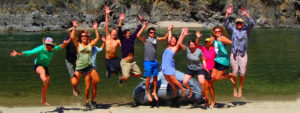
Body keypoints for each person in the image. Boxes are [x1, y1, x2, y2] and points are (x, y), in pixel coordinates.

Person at [10, 37, 71, 106]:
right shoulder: (41, 48)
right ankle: (44, 79)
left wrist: (66, 42)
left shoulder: (53, 49)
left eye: (49, 45)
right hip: (38, 65)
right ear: (44, 44)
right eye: (46, 44)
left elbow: (61, 46)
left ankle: (43, 100)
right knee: (42, 72)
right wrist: (18, 53)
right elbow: (30, 52)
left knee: (46, 85)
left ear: (52, 45)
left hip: (45, 66)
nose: (47, 46)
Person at [224, 5, 255, 98]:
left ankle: (240, 88)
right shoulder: (233, 30)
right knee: (235, 72)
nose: (239, 25)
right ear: (236, 24)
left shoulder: (246, 31)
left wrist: (247, 15)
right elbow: (226, 25)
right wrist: (227, 14)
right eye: (237, 23)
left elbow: (252, 23)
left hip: (243, 55)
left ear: (243, 24)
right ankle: (234, 87)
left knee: (242, 73)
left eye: (240, 23)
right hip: (234, 54)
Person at [70, 20, 101, 108]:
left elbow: (97, 38)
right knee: (73, 82)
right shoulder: (78, 45)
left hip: (89, 67)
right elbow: (72, 37)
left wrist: (95, 29)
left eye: (85, 36)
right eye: (82, 36)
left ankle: (91, 100)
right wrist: (74, 27)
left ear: (87, 37)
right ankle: (78, 92)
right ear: (81, 37)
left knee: (97, 80)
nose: (84, 37)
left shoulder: (90, 45)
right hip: (79, 68)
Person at [137, 21, 169, 102]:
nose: (152, 34)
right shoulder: (145, 39)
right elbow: (138, 35)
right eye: (151, 32)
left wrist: (169, 30)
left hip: (155, 61)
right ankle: (147, 92)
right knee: (148, 78)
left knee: (155, 78)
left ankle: (154, 92)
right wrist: (144, 27)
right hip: (147, 61)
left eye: (153, 32)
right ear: (148, 33)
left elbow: (164, 38)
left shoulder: (155, 39)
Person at [161, 27, 189, 99]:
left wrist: (182, 33)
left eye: (174, 40)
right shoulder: (168, 46)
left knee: (173, 80)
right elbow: (169, 38)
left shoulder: (175, 48)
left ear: (176, 42)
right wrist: (170, 30)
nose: (173, 40)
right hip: (164, 65)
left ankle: (182, 88)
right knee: (167, 78)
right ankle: (175, 89)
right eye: (172, 39)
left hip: (169, 66)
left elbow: (179, 42)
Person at [181, 37, 209, 106]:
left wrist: (205, 66)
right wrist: (183, 34)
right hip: (190, 69)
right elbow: (180, 44)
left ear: (195, 45)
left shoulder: (199, 51)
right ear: (189, 45)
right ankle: (190, 90)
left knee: (202, 82)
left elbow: (203, 59)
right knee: (184, 82)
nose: (192, 46)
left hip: (199, 69)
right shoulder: (187, 50)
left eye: (193, 45)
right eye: (190, 45)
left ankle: (202, 92)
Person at [117, 13, 144, 86]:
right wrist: (120, 20)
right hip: (125, 62)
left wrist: (141, 21)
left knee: (139, 74)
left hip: (131, 62)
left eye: (129, 33)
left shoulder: (132, 38)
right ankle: (121, 78)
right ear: (124, 35)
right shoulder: (122, 40)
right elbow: (119, 30)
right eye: (127, 33)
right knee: (126, 77)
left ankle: (127, 74)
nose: (129, 34)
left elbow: (137, 30)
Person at [209, 26, 232, 108]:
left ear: (221, 32)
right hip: (216, 61)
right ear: (214, 32)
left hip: (223, 61)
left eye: (219, 31)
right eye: (216, 31)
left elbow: (231, 42)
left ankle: (228, 75)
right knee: (212, 78)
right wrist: (210, 40)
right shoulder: (214, 39)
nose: (218, 32)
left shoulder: (222, 38)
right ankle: (212, 101)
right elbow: (208, 45)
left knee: (218, 78)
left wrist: (223, 39)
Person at [196, 33, 216, 108]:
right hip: (204, 69)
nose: (207, 43)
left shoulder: (214, 49)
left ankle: (213, 101)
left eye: (209, 42)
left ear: (211, 42)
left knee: (211, 86)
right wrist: (198, 38)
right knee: (206, 87)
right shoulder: (203, 49)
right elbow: (196, 45)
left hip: (212, 70)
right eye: (206, 42)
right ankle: (207, 101)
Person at [103, 6, 122, 79]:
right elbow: (106, 26)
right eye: (113, 33)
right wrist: (107, 15)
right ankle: (109, 71)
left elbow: (123, 47)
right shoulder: (108, 37)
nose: (114, 34)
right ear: (110, 34)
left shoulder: (117, 41)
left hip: (115, 59)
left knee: (122, 66)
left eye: (115, 33)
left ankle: (121, 76)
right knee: (112, 71)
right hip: (108, 59)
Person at [64, 29, 79, 96]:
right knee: (72, 76)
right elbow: (64, 43)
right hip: (69, 61)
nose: (72, 32)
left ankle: (76, 88)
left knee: (77, 77)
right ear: (69, 32)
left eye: (73, 31)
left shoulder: (77, 39)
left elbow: (79, 48)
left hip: (77, 60)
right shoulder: (67, 38)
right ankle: (74, 88)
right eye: (71, 31)